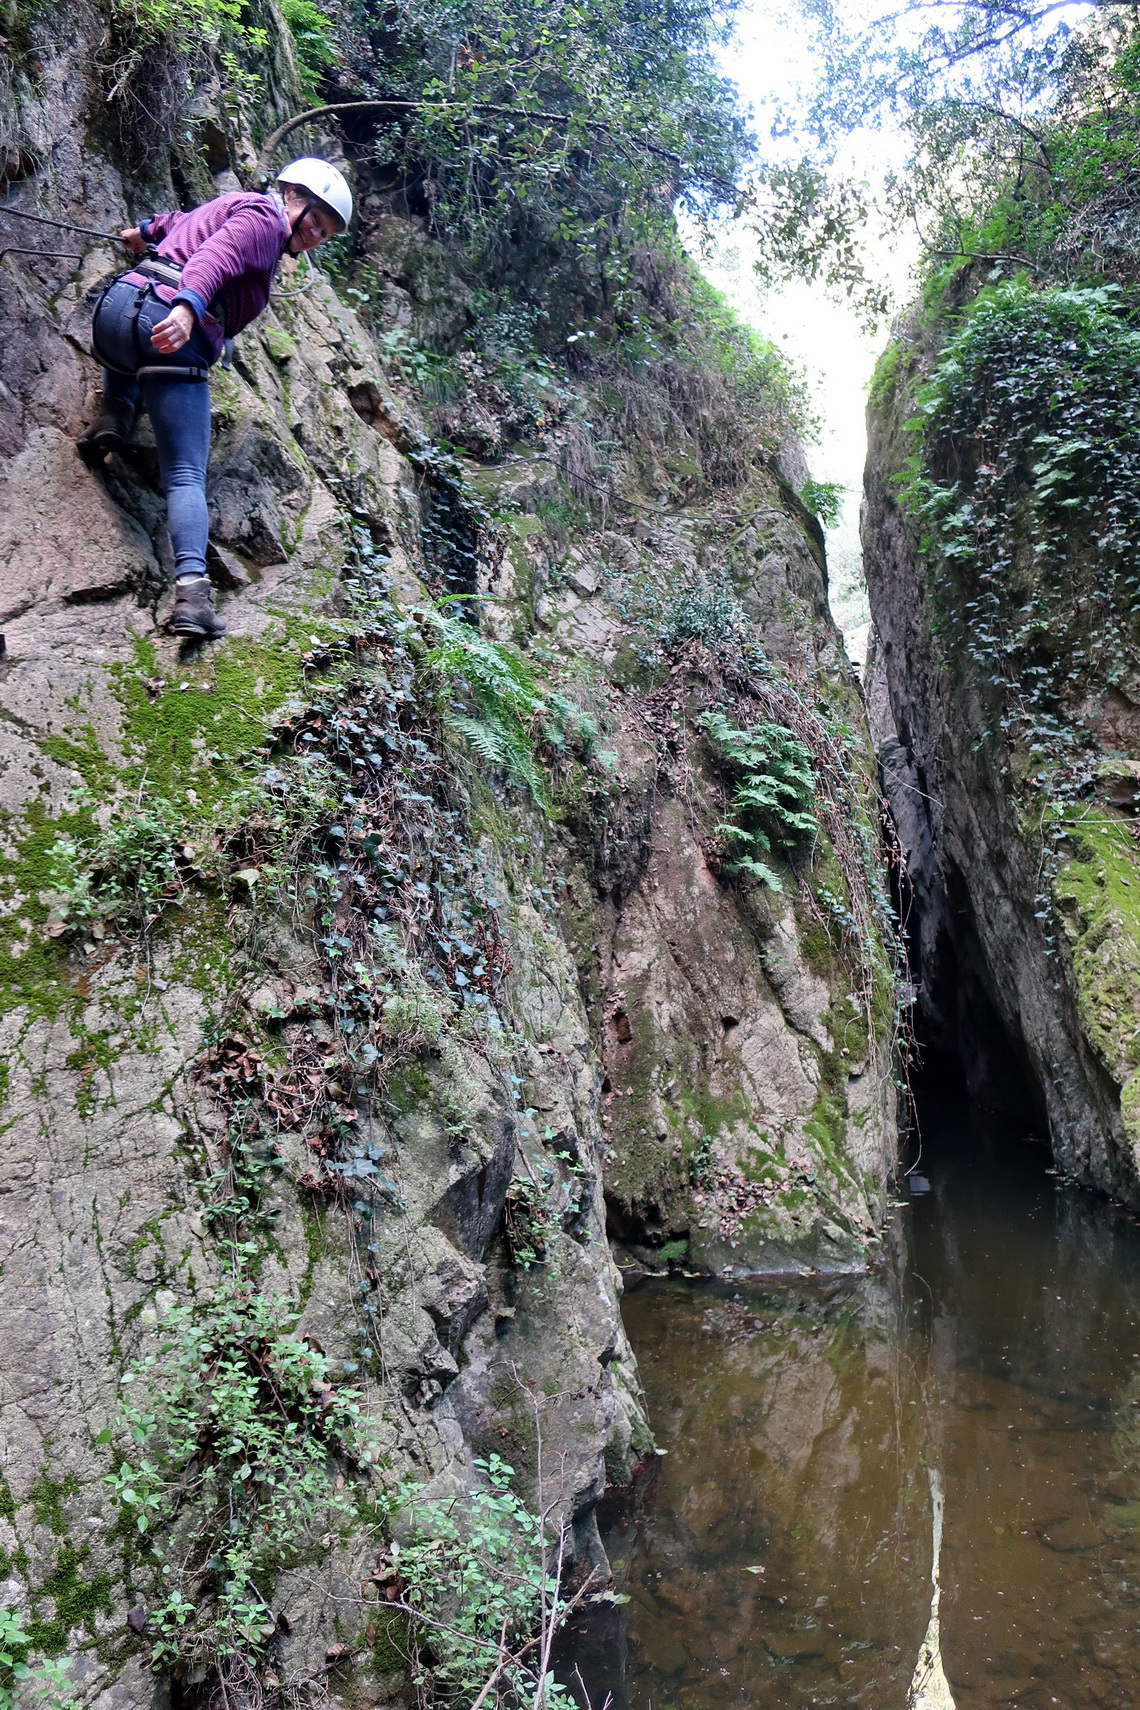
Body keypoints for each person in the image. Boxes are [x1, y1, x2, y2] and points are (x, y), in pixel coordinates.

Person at [78, 158, 353, 639]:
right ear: (292, 194)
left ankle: (115, 412)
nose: (314, 235)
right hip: (168, 319)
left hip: (115, 311)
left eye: (325, 234)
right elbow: (216, 257)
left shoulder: (233, 204)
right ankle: (193, 597)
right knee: (185, 473)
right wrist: (188, 307)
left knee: (134, 347)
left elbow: (178, 223)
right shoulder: (265, 221)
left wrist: (143, 232)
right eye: (315, 220)